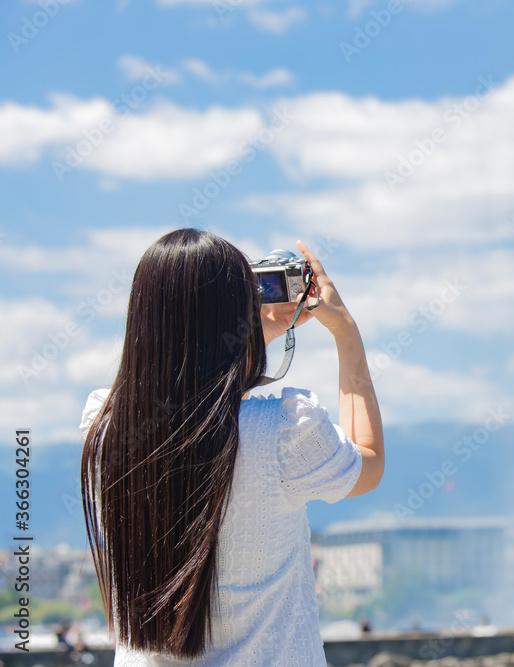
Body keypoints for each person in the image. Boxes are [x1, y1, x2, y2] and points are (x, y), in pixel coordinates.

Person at [79, 229, 384, 666]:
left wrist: (242, 332)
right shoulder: (281, 432)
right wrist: (345, 331)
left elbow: (187, 405)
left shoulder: (105, 433)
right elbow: (366, 463)